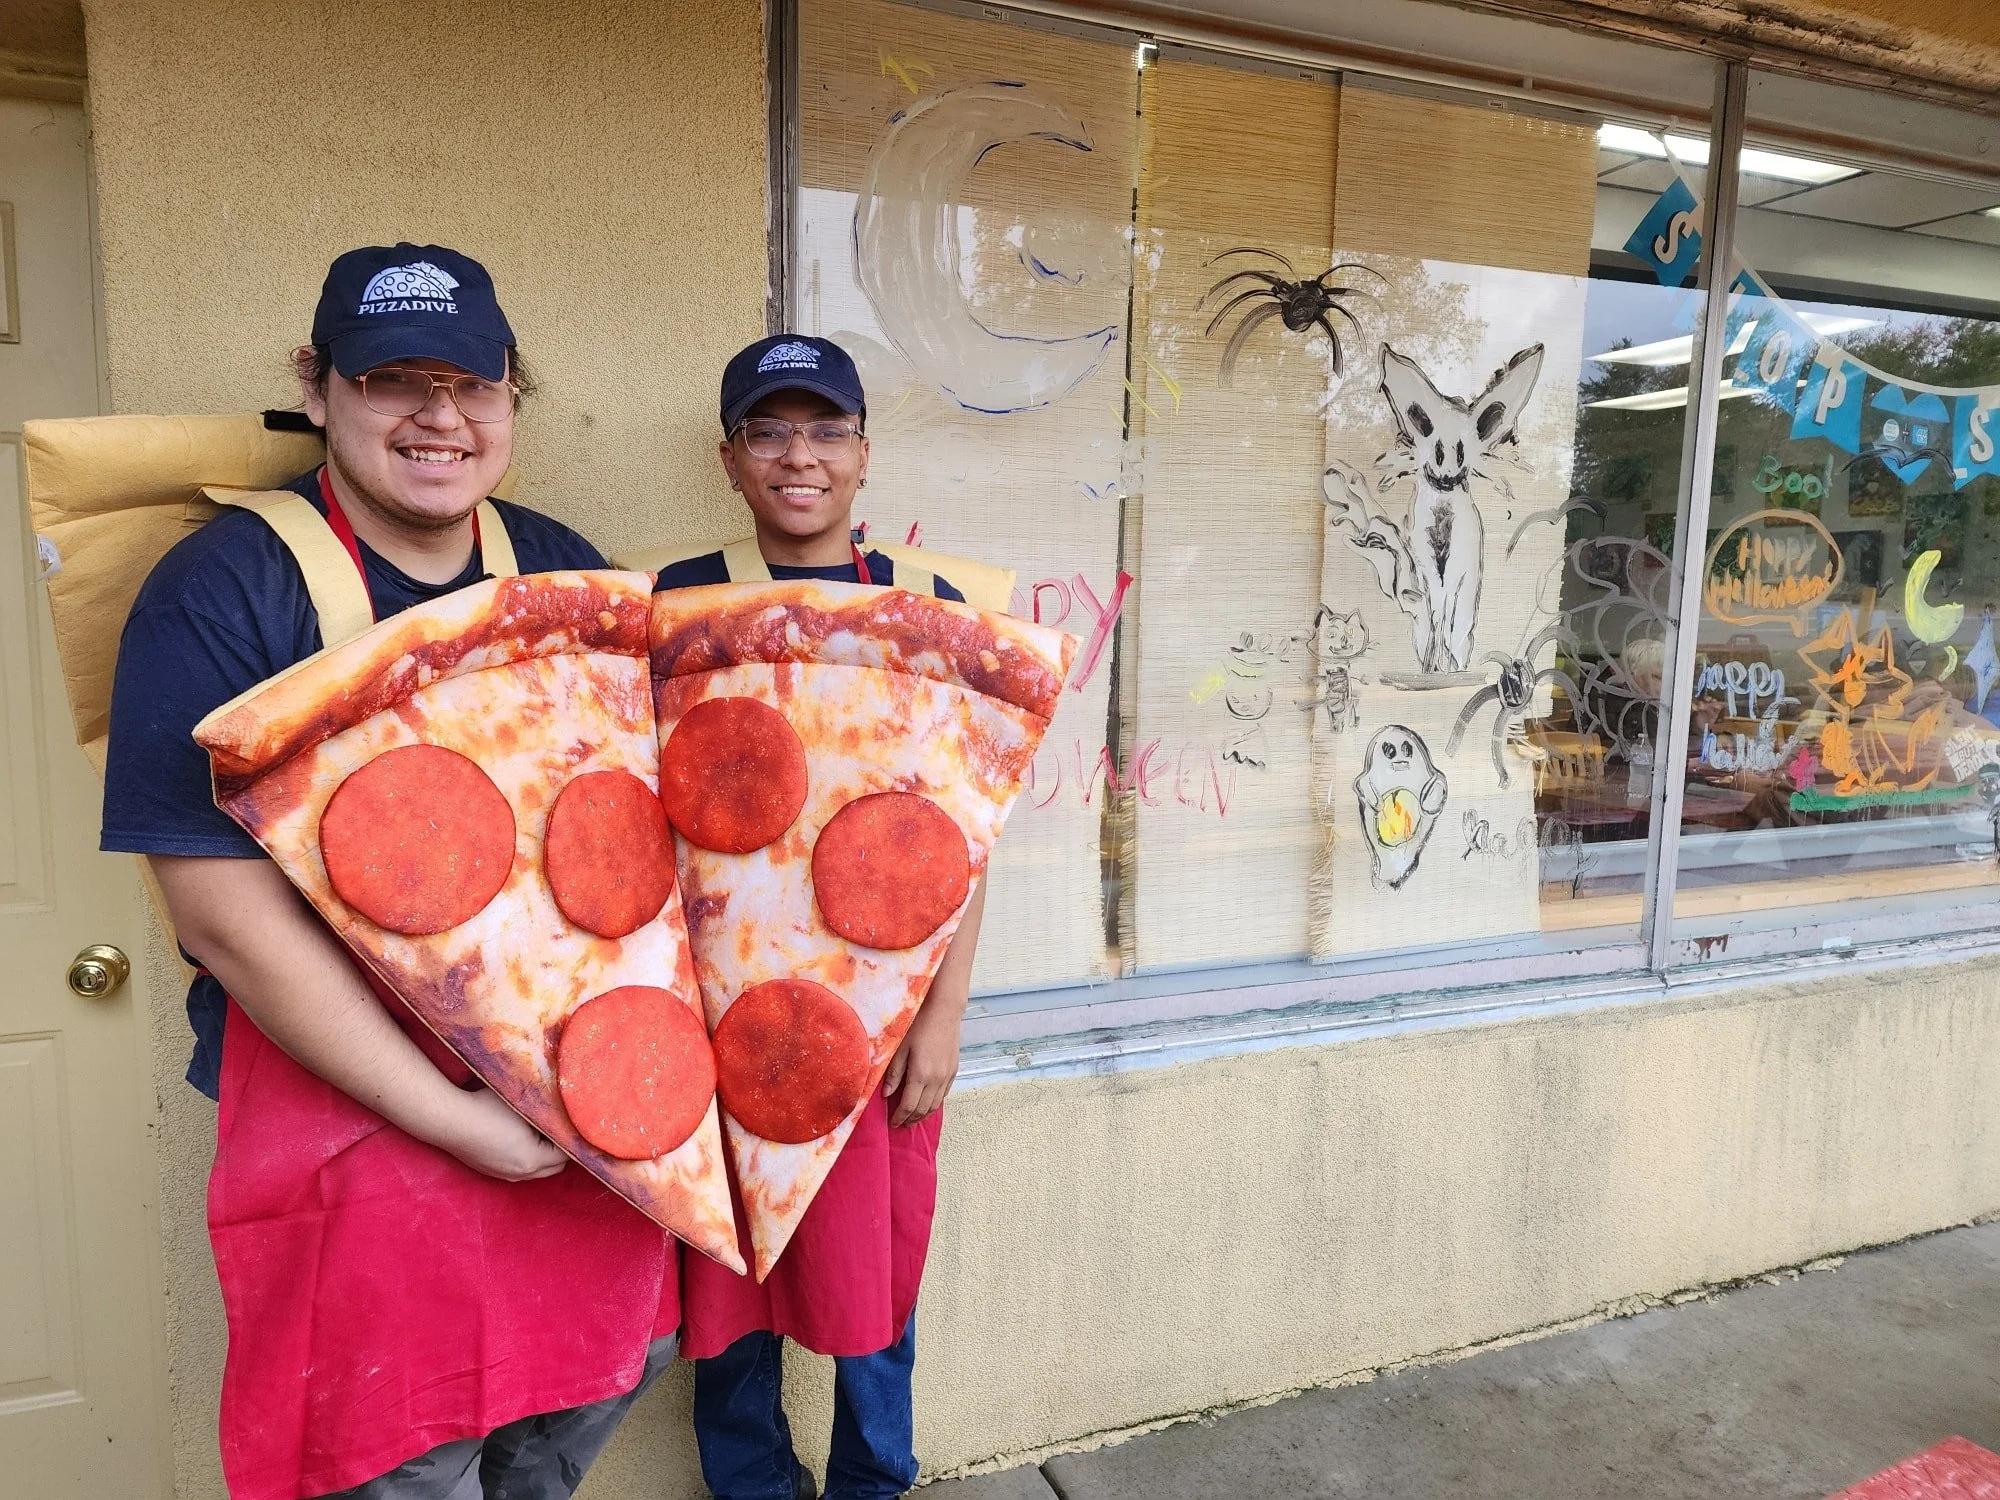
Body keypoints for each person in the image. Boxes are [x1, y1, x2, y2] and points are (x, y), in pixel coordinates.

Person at [101, 244, 679, 1500]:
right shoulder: (223, 589)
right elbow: (224, 922)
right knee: (398, 1459)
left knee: (583, 1393)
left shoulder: (566, 569)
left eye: (472, 384)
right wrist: (459, 1122)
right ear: (317, 388)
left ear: (510, 396)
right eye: (393, 381)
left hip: (574, 1105)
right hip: (363, 1118)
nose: (441, 417)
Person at [660, 335, 980, 1500]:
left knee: (872, 1276)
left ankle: (871, 1481)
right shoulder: (671, 603)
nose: (799, 457)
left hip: (880, 1017)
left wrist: (940, 1018)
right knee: (726, 1274)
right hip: (717, 1019)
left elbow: (964, 834)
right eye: (769, 432)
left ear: (862, 453)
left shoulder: (926, 609)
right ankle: (749, 1485)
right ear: (730, 458)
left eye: (825, 430)